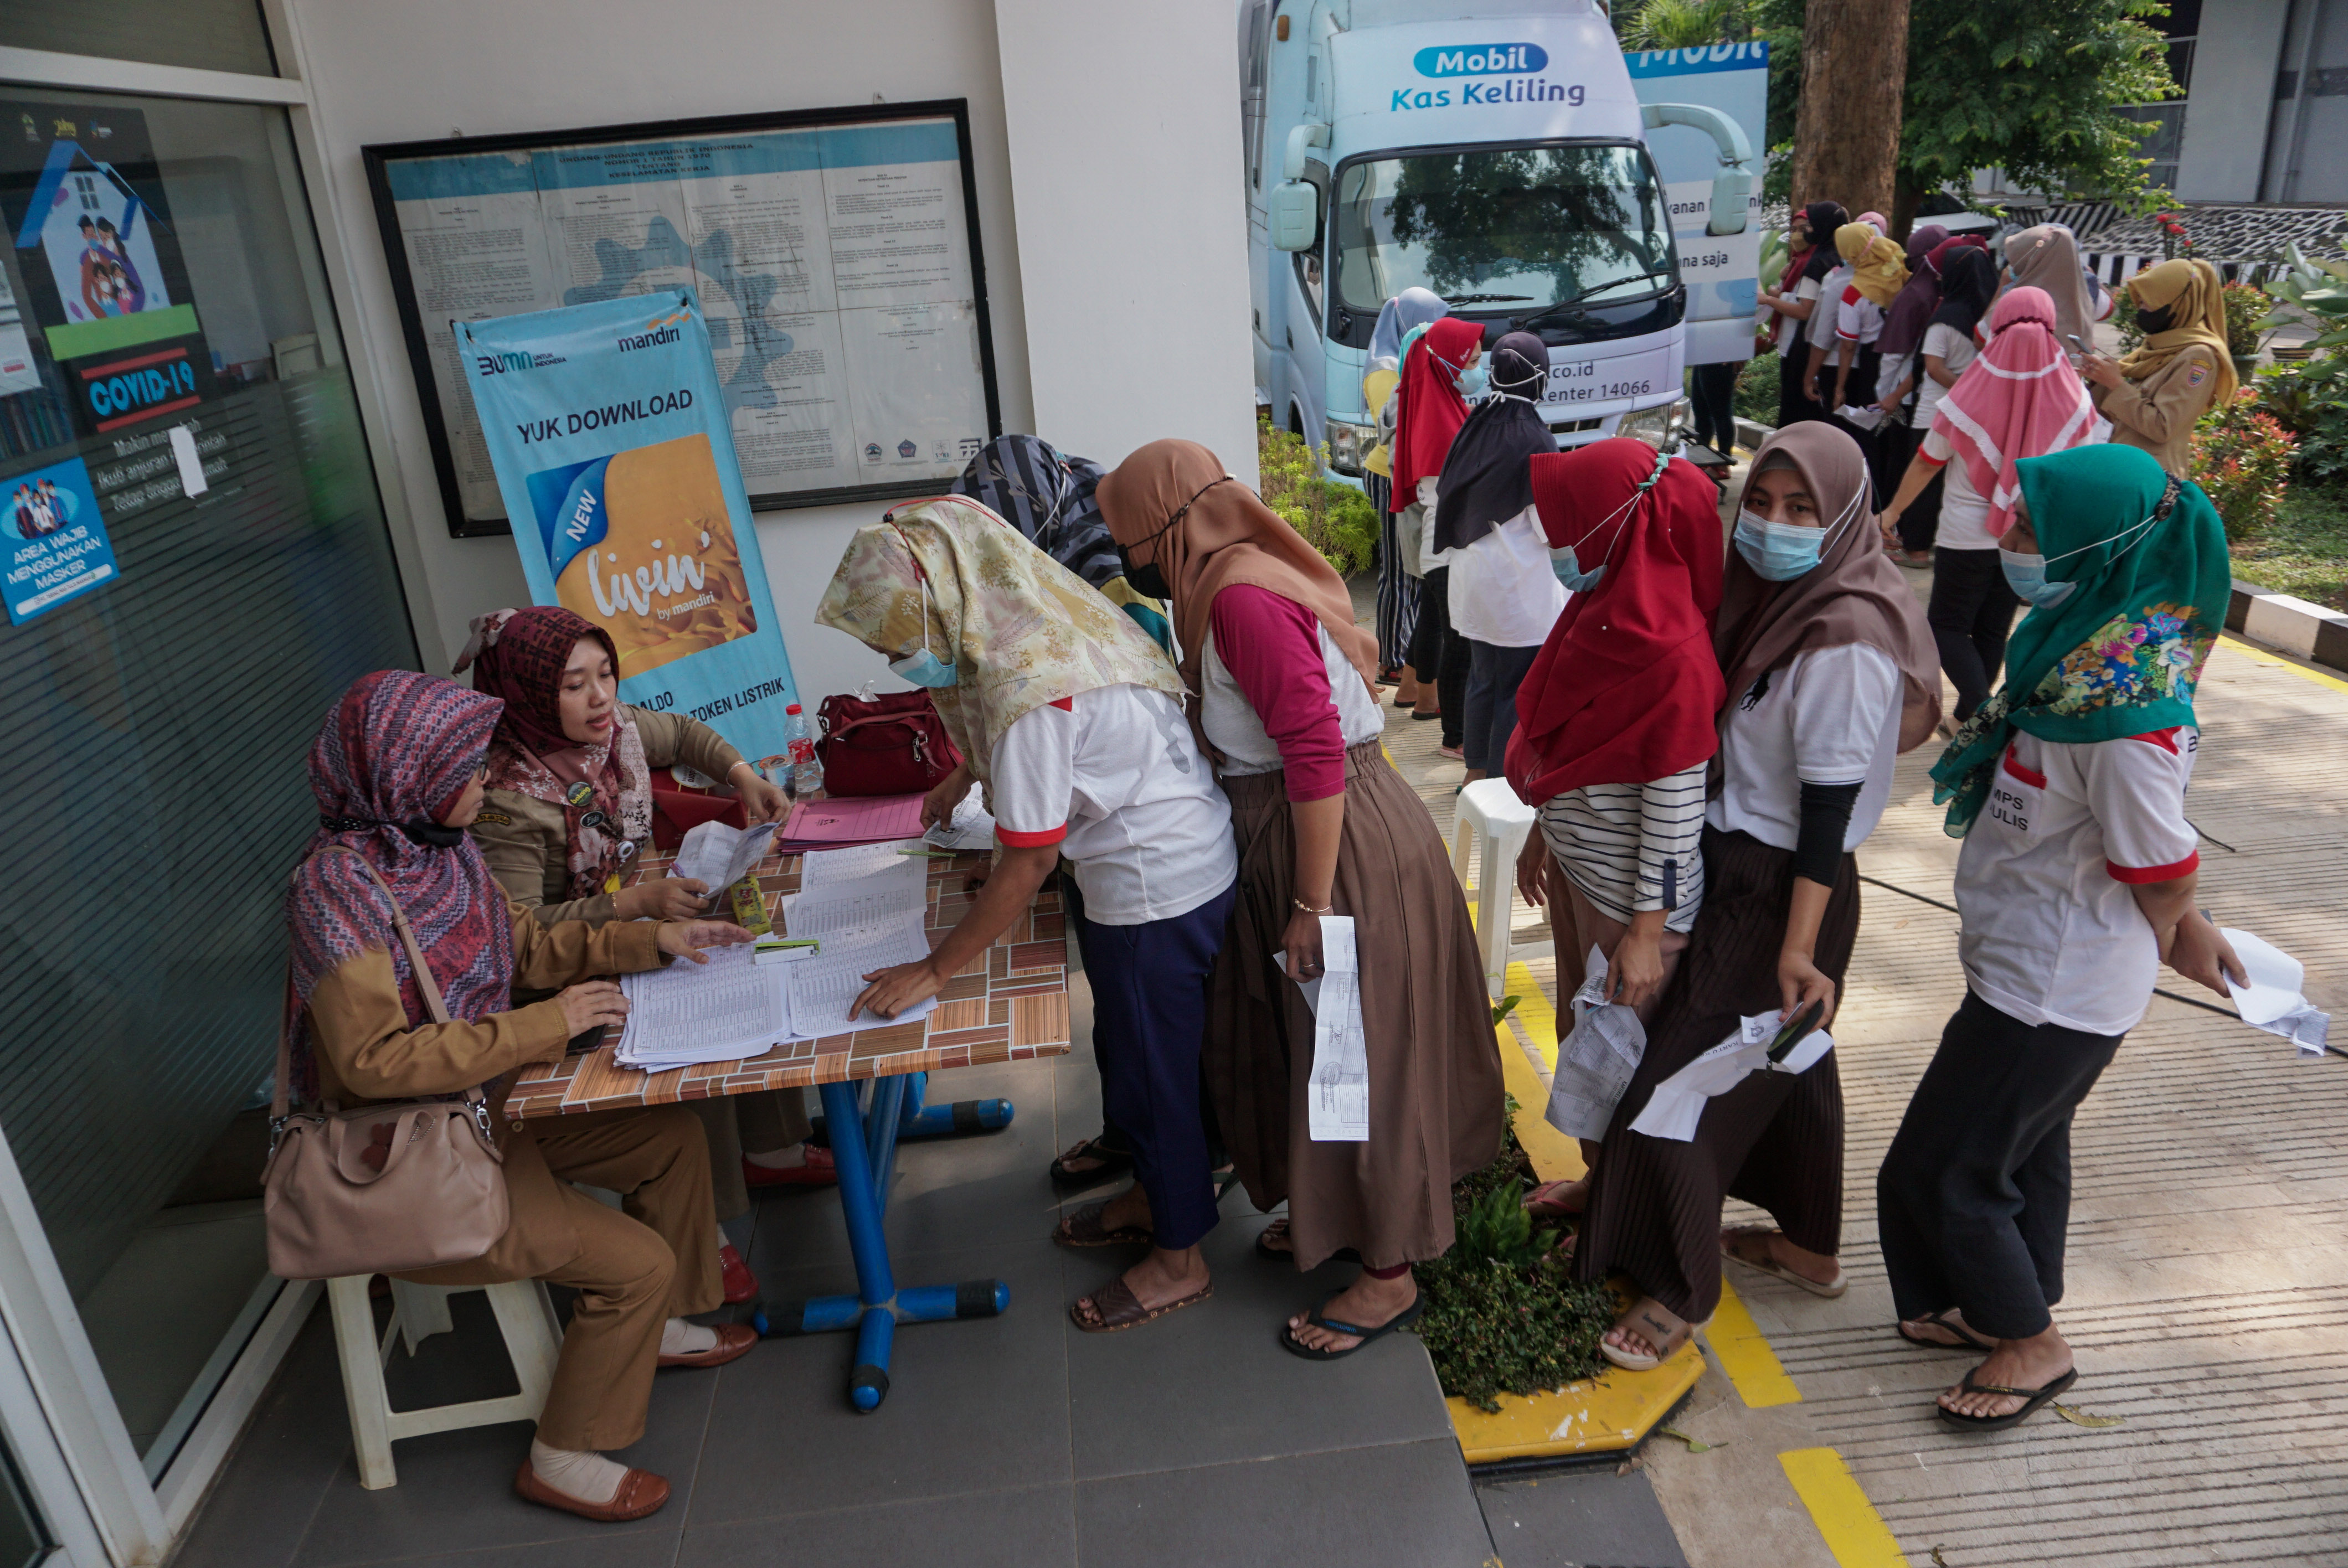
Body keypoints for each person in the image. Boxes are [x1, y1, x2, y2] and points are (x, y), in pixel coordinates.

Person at [286, 670, 756, 1523]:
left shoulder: (435, 843)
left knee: (671, 1138)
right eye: (462, 769)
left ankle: (662, 1324)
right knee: (633, 1265)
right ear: (404, 773)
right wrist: (551, 1027)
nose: (482, 782)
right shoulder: (338, 894)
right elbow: (375, 1065)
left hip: (486, 1110)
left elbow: (527, 942)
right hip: (408, 1157)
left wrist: (655, 938)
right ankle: (563, 1451)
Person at [1096, 439, 1505, 1359]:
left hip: (1336, 845)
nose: (1128, 559)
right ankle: (1343, 1217)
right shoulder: (1222, 588)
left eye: (1130, 539)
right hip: (1303, 835)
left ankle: (1389, 1275)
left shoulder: (1238, 598)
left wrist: (1314, 904)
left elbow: (1315, 753)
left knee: (1357, 1054)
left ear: (1171, 528)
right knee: (1325, 1050)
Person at [1878, 442, 2242, 1431]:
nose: (2011, 540)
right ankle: (2010, 1300)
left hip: (2054, 987)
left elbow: (2161, 862)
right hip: (2032, 970)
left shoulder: (2123, 711)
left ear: (2107, 543)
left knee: (1942, 1169)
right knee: (2025, 1152)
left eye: (2036, 530)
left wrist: (2184, 925)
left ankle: (2030, 1341)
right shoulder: (2081, 650)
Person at [815, 495, 1238, 1334]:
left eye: (898, 636)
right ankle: (1155, 1197)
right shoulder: (1043, 618)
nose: (895, 657)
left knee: (1159, 1073)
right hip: (1153, 870)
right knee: (1136, 1056)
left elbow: (1033, 857)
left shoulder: (1030, 688)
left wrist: (934, 969)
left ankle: (1180, 1259)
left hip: (1157, 888)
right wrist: (966, 778)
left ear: (947, 598)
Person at [1569, 423, 1940, 1371]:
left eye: (1801, 509)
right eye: (1762, 505)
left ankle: (1678, 1288)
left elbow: (1824, 807)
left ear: (1847, 516)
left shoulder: (1845, 637)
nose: (1771, 526)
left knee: (1676, 1089)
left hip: (1785, 890)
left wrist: (1797, 947)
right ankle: (1811, 1248)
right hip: (1737, 863)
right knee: (1790, 1058)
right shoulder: (1773, 602)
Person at [453, 607, 833, 1278]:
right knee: (687, 1035)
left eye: (606, 673)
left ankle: (770, 1149)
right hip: (559, 981)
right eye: (574, 685)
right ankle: (706, 1222)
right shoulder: (504, 800)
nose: (601, 697)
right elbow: (526, 940)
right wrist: (635, 908)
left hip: (629, 925)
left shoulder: (613, 731)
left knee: (745, 963)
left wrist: (742, 775)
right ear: (530, 692)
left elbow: (682, 734)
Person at [1503, 438, 1725, 1218]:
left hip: (1631, 910)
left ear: (1615, 526)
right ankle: (1600, 1188)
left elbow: (1671, 817)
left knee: (1620, 1067)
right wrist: (1545, 828)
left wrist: (1644, 932)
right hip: (1583, 875)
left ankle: (1627, 1221)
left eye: (1568, 526)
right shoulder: (1605, 613)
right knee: (1586, 1050)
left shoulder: (1671, 658)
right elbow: (1569, 749)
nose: (1556, 546)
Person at [1879, 286, 2097, 725]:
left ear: (1996, 324)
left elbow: (1928, 462)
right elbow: (2080, 474)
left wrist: (1892, 512)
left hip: (1965, 533)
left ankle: (1980, 709)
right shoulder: (2075, 397)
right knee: (1995, 628)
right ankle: (1968, 715)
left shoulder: (1970, 392)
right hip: (2029, 538)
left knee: (1945, 626)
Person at [1430, 330, 1564, 785]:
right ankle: (1502, 786)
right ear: (1538, 377)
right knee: (1515, 688)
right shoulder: (1537, 439)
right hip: (1517, 587)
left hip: (1471, 579)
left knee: (1482, 679)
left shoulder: (1474, 423)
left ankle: (1474, 774)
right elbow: (1551, 526)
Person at [1394, 316, 1486, 749]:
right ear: (1449, 362)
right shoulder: (1439, 417)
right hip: (1445, 549)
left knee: (1457, 641)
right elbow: (1446, 489)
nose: (1477, 370)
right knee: (1459, 646)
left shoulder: (1446, 403)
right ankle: (1456, 737)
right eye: (1472, 360)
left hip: (1449, 547)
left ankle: (1457, 733)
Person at [2081, 259, 2234, 478]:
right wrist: (2096, 378)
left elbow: (2163, 427)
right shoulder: (2154, 349)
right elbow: (2113, 414)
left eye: (2148, 301)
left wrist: (2115, 384)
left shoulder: (2199, 357)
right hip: (2120, 468)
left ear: (2177, 303)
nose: (2140, 307)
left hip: (2150, 478)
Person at [1366, 288, 1448, 698]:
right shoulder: (1385, 370)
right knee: (1398, 572)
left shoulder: (1404, 358)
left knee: (1414, 571)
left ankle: (1408, 660)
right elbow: (1400, 429)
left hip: (1407, 474)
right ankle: (1391, 660)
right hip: (1390, 475)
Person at [1866, 223, 1950, 557]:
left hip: (1910, 399)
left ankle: (1897, 534)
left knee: (1901, 466)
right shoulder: (1939, 293)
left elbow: (1895, 353)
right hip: (1921, 396)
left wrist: (1885, 395)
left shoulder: (1915, 293)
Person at [1826, 220, 1908, 486]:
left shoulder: (1854, 293)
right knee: (1894, 430)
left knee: (1870, 428)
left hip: (1873, 363)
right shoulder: (1896, 264)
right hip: (1905, 359)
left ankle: (1872, 494)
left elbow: (1848, 345)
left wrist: (1840, 387)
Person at [1758, 201, 1847, 426]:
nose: (1802, 234)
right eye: (1795, 229)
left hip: (1805, 345)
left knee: (1796, 412)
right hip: (1827, 346)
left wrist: (1770, 299)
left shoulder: (1817, 263)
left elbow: (1805, 310)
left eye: (1809, 226)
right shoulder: (1839, 258)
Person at [2002, 224, 2100, 355]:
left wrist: (2002, 283)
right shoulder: (2085, 288)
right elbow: (2108, 309)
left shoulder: (2014, 298)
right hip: (2074, 373)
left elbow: (1981, 339)